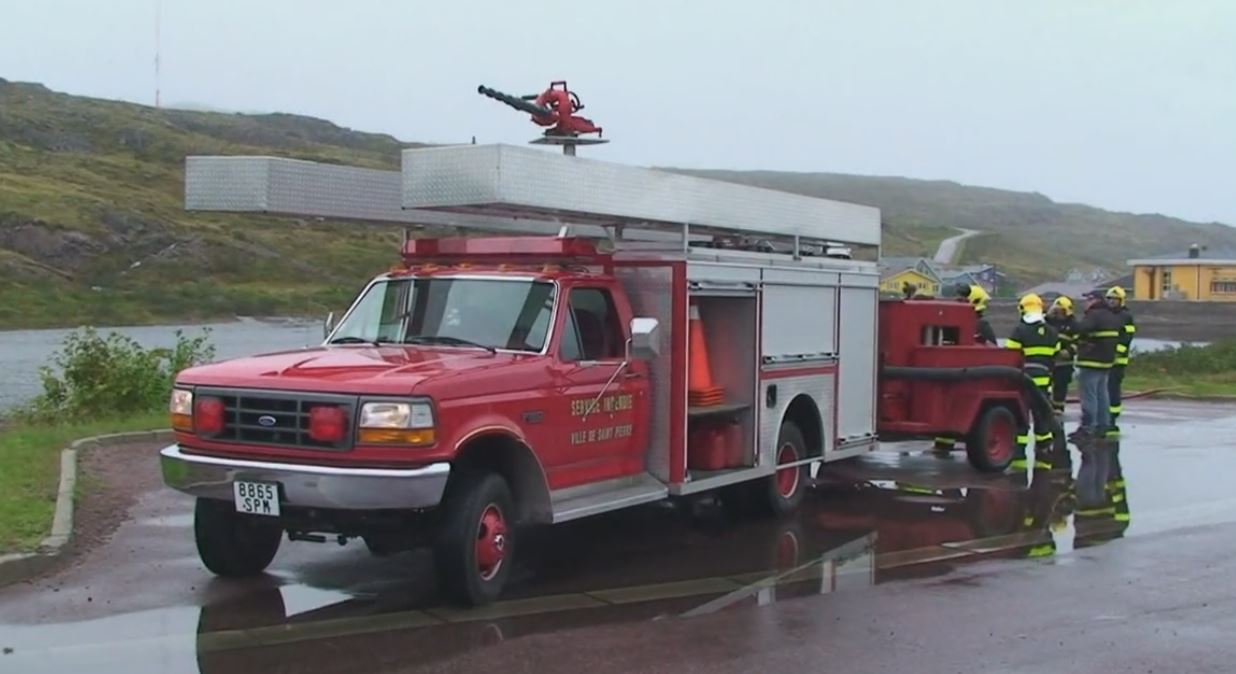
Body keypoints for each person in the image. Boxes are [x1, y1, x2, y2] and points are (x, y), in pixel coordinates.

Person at [1005, 293, 1060, 470]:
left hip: (1024, 380)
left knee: (1021, 414)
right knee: (1041, 413)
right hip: (1044, 381)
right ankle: (1044, 446)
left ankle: (1019, 449)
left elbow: (1009, 354)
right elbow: (1055, 355)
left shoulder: (1020, 330)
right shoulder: (1052, 332)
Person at [1071, 291, 1122, 442]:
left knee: (1089, 395)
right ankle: (1102, 426)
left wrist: (1071, 322)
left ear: (1096, 301)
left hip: (1091, 361)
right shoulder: (1111, 316)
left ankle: (1088, 428)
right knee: (1102, 395)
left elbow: (1080, 329)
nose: (1086, 302)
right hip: (1106, 362)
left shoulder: (1094, 315)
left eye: (1088, 299)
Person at [1105, 286, 1135, 435]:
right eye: (1109, 299)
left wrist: (1118, 352)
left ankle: (1113, 414)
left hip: (1118, 359)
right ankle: (1106, 414)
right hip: (1105, 357)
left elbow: (1127, 337)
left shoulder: (1126, 316)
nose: (1111, 301)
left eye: (1114, 299)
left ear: (1121, 300)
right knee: (1105, 386)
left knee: (1113, 386)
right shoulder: (1106, 314)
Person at [1046, 296, 1079, 414]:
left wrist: (1069, 351)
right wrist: (1048, 314)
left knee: (1061, 386)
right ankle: (1047, 406)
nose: (1058, 313)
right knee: (1046, 385)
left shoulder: (1073, 324)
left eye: (1061, 311)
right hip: (1050, 360)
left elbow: (1079, 342)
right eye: (1057, 310)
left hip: (1065, 362)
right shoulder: (1049, 321)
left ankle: (1058, 408)